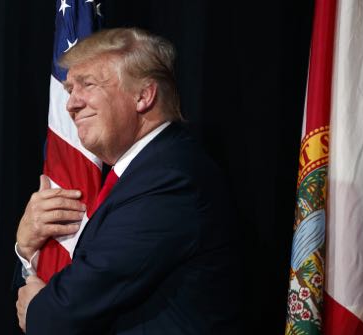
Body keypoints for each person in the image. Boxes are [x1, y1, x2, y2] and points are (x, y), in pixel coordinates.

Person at [14, 27, 239, 334]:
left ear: (143, 96)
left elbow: (63, 313)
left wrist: (41, 311)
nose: (71, 104)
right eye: (69, 90)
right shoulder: (136, 175)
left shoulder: (170, 180)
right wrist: (26, 248)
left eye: (87, 84)